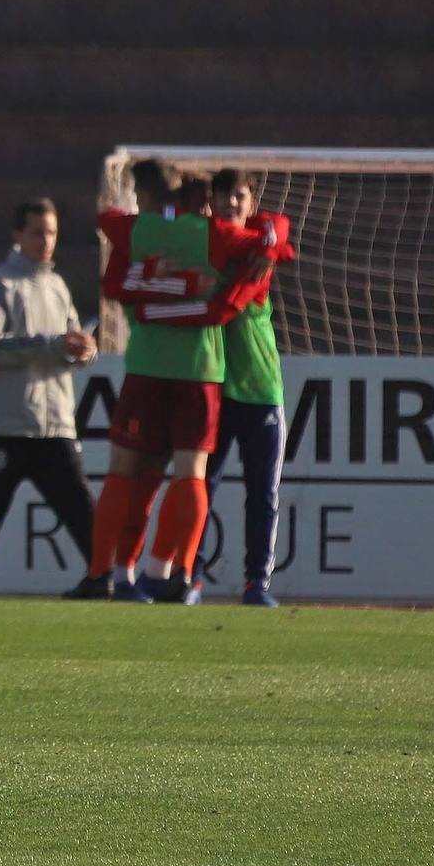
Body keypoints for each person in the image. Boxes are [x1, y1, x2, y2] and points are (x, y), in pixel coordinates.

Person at [80, 158, 290, 604]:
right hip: (199, 372)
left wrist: (151, 299)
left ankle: (108, 574)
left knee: (128, 474)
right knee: (192, 477)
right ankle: (168, 574)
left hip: (145, 366)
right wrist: (270, 241)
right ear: (203, 202)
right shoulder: (218, 238)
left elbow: (115, 282)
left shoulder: (134, 233)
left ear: (143, 196)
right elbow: (271, 242)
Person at [140, 169, 293, 607]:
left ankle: (255, 584)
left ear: (250, 201)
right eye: (224, 197)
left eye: (239, 197)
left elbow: (227, 305)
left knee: (262, 494)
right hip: (216, 391)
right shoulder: (215, 245)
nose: (231, 205)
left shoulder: (260, 252)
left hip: (263, 390)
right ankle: (192, 577)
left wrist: (271, 241)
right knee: (202, 487)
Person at [0, 198, 97, 597]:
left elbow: (70, 346)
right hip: (9, 422)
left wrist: (84, 351)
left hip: (55, 423)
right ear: (17, 235)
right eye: (37, 232)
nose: (46, 241)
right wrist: (53, 345)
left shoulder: (57, 285)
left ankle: (102, 576)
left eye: (51, 232)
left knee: (82, 511)